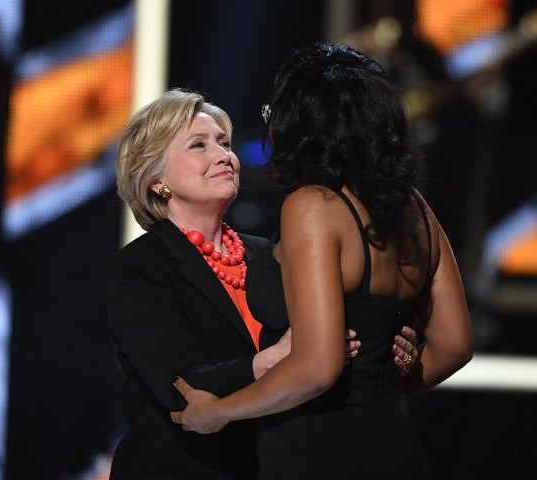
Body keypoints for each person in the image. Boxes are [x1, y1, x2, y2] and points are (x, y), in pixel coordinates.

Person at [170, 43, 474, 479]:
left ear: (302, 126)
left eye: (275, 111)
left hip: (320, 454)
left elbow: (317, 366)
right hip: (397, 450)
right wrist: (379, 387)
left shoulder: (311, 206)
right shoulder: (415, 208)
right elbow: (454, 346)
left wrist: (218, 411)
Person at [108, 88, 420, 479]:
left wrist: (388, 352)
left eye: (224, 143)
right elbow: (182, 386)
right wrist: (277, 359)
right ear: (156, 179)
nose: (224, 155)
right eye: (199, 145)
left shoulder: (270, 253)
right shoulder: (140, 266)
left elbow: (333, 347)